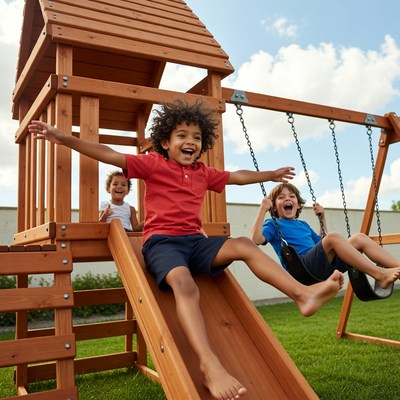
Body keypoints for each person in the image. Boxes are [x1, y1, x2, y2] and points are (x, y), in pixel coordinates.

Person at [29, 99, 343, 400]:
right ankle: (209, 364)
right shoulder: (152, 164)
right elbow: (109, 154)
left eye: (196, 136)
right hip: (162, 243)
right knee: (184, 283)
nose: (190, 141)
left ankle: (302, 295)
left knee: (245, 244)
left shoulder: (202, 173)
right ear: (165, 141)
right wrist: (61, 136)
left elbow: (236, 177)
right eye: (182, 135)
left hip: (197, 241)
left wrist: (270, 175)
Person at [251, 182, 400, 289]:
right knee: (333, 237)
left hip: (321, 265)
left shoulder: (303, 225)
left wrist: (322, 219)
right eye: (281, 197)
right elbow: (255, 240)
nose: (288, 199)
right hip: (302, 268)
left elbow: (322, 244)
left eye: (292, 196)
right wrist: (262, 210)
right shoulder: (273, 223)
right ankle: (379, 274)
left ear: (298, 205)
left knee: (359, 238)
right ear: (274, 207)